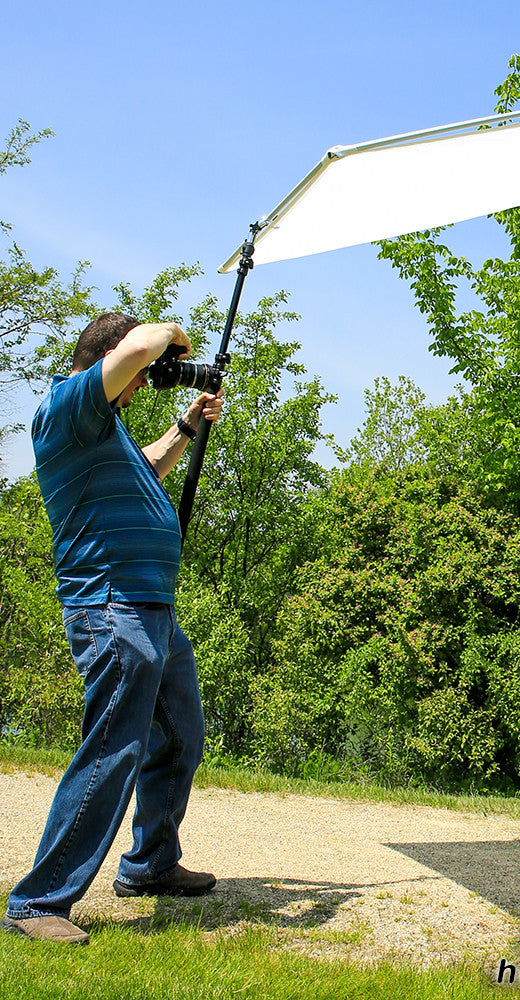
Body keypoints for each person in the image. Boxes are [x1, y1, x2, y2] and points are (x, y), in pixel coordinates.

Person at [2, 313, 224, 945]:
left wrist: (183, 427)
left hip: (152, 607)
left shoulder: (106, 432)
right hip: (111, 608)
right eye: (135, 379)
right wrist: (173, 346)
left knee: (181, 736)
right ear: (108, 362)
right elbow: (148, 338)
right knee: (112, 751)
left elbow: (146, 467)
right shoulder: (68, 407)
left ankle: (149, 864)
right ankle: (38, 899)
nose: (137, 390)